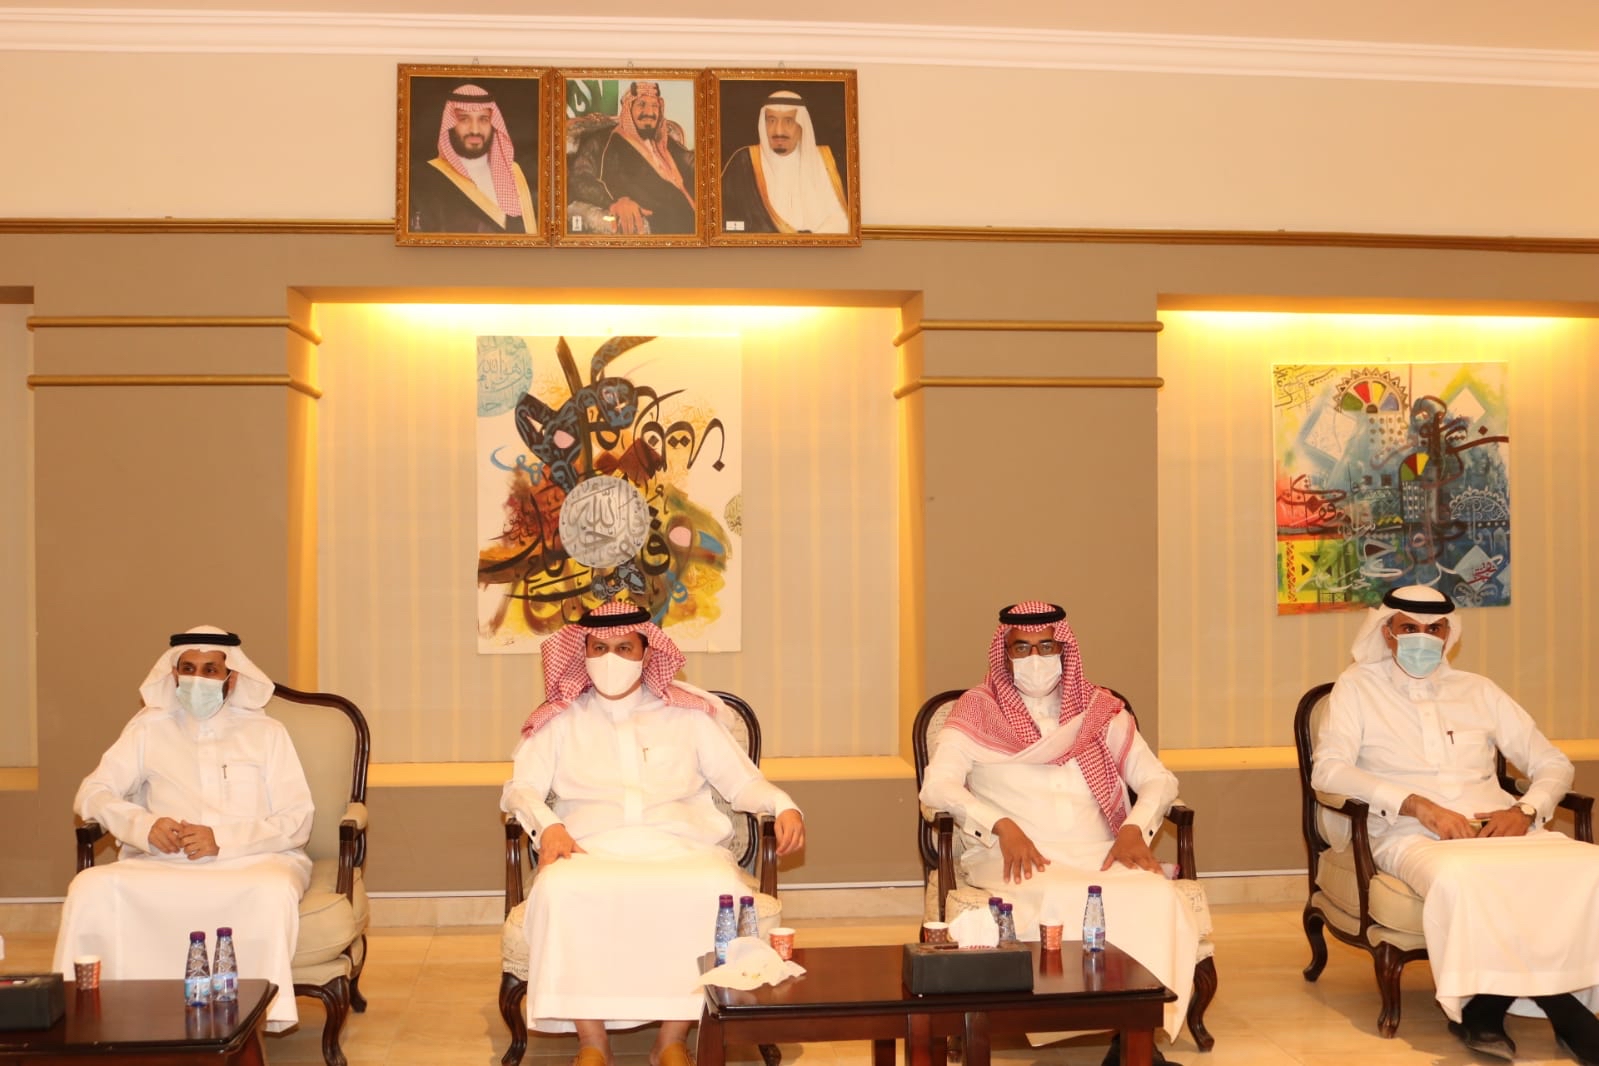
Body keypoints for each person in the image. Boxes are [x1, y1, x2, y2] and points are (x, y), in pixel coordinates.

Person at [501, 600, 804, 1066]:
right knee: (561, 889)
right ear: (582, 652)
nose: (611, 659)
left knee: (713, 886)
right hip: (589, 849)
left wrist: (783, 805)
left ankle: (671, 1040)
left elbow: (741, 782)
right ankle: (592, 1042)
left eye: (625, 648)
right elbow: (520, 788)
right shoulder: (559, 718)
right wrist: (550, 826)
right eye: (599, 648)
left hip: (682, 847)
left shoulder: (688, 715)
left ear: (647, 652)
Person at [1312, 585, 1599, 1064]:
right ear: (1387, 632)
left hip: (1498, 828)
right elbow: (1329, 771)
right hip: (1408, 832)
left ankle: (1486, 1008)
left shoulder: (1479, 690)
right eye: (1409, 628)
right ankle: (1566, 1014)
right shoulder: (1356, 688)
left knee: (1590, 866)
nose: (1423, 638)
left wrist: (1526, 810)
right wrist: (1415, 804)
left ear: (1449, 634)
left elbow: (1552, 762)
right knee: (1465, 876)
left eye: (1435, 629)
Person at [919, 601, 1198, 1064]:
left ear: (1064, 649)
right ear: (1003, 653)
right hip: (1015, 854)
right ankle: (1077, 1017)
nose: (1035, 659)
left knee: (1155, 896)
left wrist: (1133, 828)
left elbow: (1158, 779)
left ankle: (1134, 1037)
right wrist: (1000, 825)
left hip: (1099, 850)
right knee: (1063, 896)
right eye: (1022, 648)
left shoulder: (1099, 710)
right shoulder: (976, 710)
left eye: (1046, 646)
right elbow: (938, 786)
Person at [52, 626, 313, 1032]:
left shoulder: (267, 734)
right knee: (90, 887)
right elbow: (92, 793)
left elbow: (297, 818)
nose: (197, 679)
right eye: (188, 669)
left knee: (271, 892)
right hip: (163, 861)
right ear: (173, 674)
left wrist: (221, 839)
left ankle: (248, 1020)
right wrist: (143, 825)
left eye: (210, 670)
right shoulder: (147, 729)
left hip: (253, 862)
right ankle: (93, 1017)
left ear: (232, 678)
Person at [566, 81, 696, 236]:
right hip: (661, 222)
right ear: (628, 109)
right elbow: (579, 177)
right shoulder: (603, 140)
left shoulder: (663, 141)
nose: (649, 112)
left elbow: (693, 163)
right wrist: (615, 202)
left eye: (654, 106)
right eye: (641, 104)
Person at [409, 82, 537, 234]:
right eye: (464, 119)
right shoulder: (423, 178)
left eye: (483, 119)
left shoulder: (517, 173)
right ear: (450, 124)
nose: (475, 130)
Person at [719, 89, 849, 235]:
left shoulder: (824, 162)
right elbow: (724, 222)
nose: (779, 131)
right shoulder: (743, 162)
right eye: (771, 121)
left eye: (788, 121)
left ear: (801, 125)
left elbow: (842, 221)